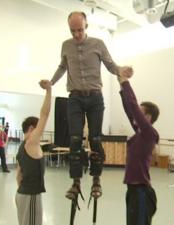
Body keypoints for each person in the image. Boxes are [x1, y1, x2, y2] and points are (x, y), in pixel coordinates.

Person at [48, 11, 133, 200]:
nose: (76, 35)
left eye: (79, 30)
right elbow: (62, 67)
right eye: (72, 31)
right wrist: (51, 82)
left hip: (95, 97)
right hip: (75, 98)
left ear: (86, 26)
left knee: (95, 138)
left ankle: (96, 179)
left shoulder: (98, 44)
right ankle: (76, 182)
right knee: (75, 139)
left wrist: (121, 70)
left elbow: (110, 65)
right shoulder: (66, 46)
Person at [118, 74, 160, 225]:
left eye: (140, 112)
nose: (136, 113)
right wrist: (121, 87)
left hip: (141, 191)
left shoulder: (150, 134)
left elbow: (133, 105)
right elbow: (130, 109)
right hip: (132, 190)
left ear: (148, 117)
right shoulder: (140, 133)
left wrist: (125, 82)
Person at [15, 80, 51, 225]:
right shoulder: (31, 142)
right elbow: (44, 115)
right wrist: (49, 91)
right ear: (31, 129)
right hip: (30, 196)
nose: (40, 132)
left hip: (24, 194)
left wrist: (23, 191)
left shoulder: (22, 146)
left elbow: (19, 175)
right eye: (38, 129)